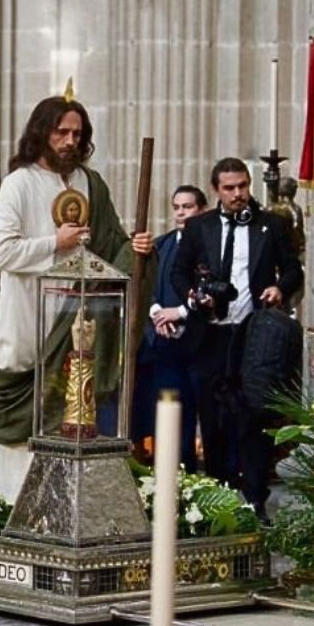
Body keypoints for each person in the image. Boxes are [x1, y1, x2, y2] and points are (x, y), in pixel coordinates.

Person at [0, 95, 153, 503]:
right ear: (42, 132)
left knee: (69, 406)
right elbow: (1, 252)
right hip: (26, 311)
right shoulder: (19, 183)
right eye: (62, 132)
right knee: (23, 404)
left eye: (77, 133)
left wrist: (139, 249)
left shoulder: (90, 184)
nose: (70, 141)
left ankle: (56, 503)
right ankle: (5, 500)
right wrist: (54, 243)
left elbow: (113, 246)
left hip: (77, 316)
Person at [170, 157, 303, 519]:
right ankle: (217, 497)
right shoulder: (199, 227)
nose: (238, 194)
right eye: (230, 188)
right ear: (216, 190)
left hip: (253, 338)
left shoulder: (271, 225)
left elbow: (293, 268)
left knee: (253, 420)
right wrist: (195, 298)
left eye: (243, 186)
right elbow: (179, 273)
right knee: (211, 420)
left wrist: (279, 287)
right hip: (210, 336)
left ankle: (255, 499)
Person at [131, 185, 207, 469]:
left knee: (192, 415)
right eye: (176, 207)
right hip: (162, 345)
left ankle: (191, 472)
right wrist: (156, 313)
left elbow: (207, 289)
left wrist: (181, 314)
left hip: (196, 342)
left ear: (201, 210)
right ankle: (164, 472)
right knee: (163, 413)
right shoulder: (162, 245)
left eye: (187, 207)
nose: (180, 212)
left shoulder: (207, 247)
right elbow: (146, 284)